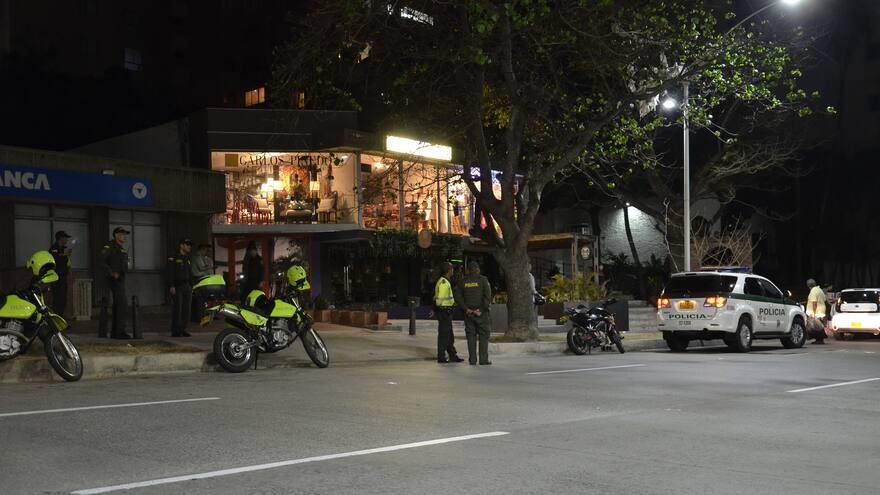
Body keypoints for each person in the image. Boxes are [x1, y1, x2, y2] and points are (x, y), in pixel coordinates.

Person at [455, 260, 493, 365]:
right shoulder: (483, 280)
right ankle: (483, 360)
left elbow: (458, 297)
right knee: (483, 336)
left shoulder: (463, 281)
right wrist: (480, 310)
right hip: (482, 314)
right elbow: (487, 297)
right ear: (478, 269)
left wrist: (466, 309)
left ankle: (472, 360)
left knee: (471, 336)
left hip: (469, 313)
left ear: (468, 270)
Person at [101, 227, 131, 339]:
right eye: (122, 234)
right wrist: (111, 273)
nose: (124, 236)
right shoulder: (110, 247)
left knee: (119, 305)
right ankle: (120, 332)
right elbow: (101, 261)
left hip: (121, 279)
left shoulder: (121, 248)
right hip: (114, 279)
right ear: (116, 235)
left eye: (125, 234)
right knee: (122, 304)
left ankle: (116, 332)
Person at [433, 262, 463, 363]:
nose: (453, 271)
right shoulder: (444, 283)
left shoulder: (443, 281)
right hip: (444, 312)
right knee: (444, 335)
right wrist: (441, 309)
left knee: (449, 335)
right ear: (448, 270)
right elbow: (440, 299)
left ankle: (452, 355)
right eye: (452, 269)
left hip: (445, 311)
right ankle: (441, 357)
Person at [168, 238, 194, 337]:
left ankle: (182, 329)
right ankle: (175, 331)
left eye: (189, 245)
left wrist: (193, 285)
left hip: (187, 286)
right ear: (181, 245)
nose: (189, 247)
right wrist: (171, 285)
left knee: (186, 309)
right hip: (177, 286)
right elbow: (170, 272)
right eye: (187, 244)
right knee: (177, 309)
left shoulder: (187, 258)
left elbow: (190, 273)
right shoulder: (173, 256)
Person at [48, 231, 73, 316]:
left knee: (63, 299)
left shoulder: (62, 249)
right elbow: (55, 259)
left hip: (62, 277)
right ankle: (56, 320)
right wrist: (65, 255)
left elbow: (65, 262)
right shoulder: (53, 249)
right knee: (58, 299)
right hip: (56, 278)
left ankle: (60, 318)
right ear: (60, 238)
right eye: (65, 237)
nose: (67, 239)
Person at [806, 278, 827, 344]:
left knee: (816, 326)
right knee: (818, 326)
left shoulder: (813, 291)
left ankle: (819, 339)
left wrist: (814, 313)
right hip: (821, 310)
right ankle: (819, 339)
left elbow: (814, 302)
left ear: (808, 285)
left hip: (816, 312)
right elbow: (824, 299)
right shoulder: (819, 290)